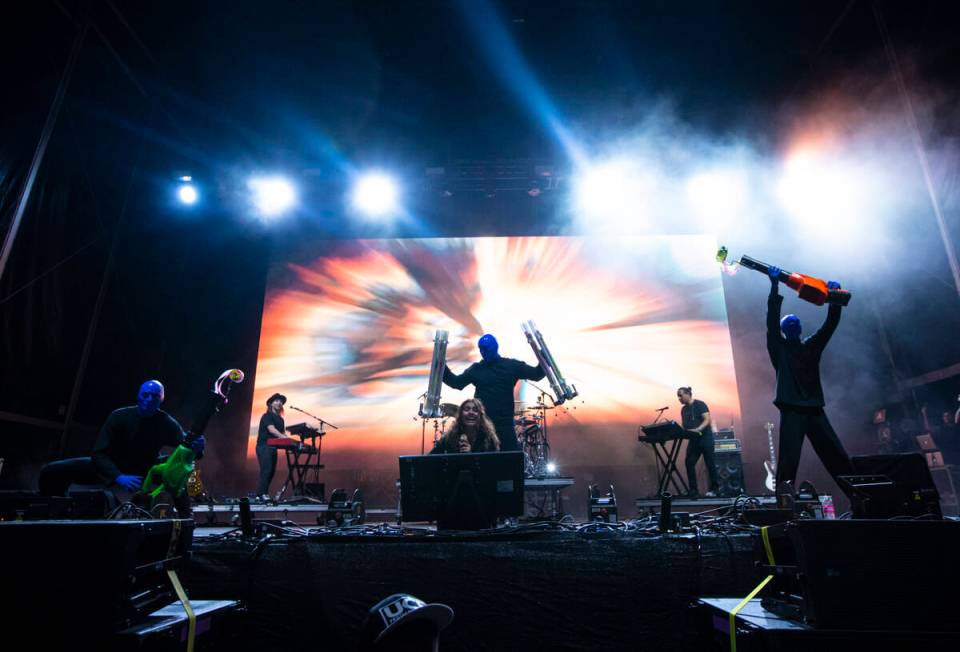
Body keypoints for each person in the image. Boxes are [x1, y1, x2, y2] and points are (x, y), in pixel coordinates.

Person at [38, 380, 203, 515]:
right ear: (138, 396)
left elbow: (187, 450)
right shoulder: (119, 416)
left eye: (154, 396)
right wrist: (118, 477)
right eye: (145, 395)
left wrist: (198, 446)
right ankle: (55, 513)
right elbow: (98, 454)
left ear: (161, 399)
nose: (149, 399)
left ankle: (185, 521)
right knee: (51, 471)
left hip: (146, 469)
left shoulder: (167, 422)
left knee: (177, 472)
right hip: (111, 466)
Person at [766, 266, 853, 488]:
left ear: (799, 328)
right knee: (788, 463)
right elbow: (772, 323)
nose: (793, 325)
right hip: (793, 410)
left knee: (837, 458)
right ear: (787, 330)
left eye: (795, 323)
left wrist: (835, 298)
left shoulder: (811, 347)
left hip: (813, 409)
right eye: (790, 324)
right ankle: (784, 509)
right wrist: (775, 287)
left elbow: (829, 326)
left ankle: (861, 499)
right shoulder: (780, 348)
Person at [442, 334, 544, 451]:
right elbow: (456, 383)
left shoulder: (511, 366)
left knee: (510, 460)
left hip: (505, 424)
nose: (484, 352)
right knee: (482, 461)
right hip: (483, 425)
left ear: (495, 347)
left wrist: (544, 356)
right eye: (481, 349)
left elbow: (537, 374)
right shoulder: (476, 369)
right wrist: (441, 366)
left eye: (487, 348)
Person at [677, 387, 719, 497]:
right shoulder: (684, 409)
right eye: (678, 396)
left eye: (680, 395)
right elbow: (684, 425)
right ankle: (693, 490)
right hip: (694, 440)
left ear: (688, 394)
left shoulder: (700, 404)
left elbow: (707, 419)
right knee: (689, 462)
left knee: (710, 463)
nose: (679, 398)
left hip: (705, 438)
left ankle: (715, 489)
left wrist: (698, 429)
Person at [255, 392, 293, 499]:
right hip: (263, 446)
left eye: (281, 401)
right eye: (277, 401)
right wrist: (284, 438)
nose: (279, 403)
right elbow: (272, 430)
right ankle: (261, 494)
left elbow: (282, 433)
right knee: (266, 470)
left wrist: (289, 440)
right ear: (271, 404)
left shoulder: (281, 419)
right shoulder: (267, 416)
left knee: (271, 471)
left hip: (272, 447)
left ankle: (263, 494)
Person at [430, 398, 500, 454]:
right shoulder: (449, 437)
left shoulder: (489, 438)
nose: (471, 413)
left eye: (475, 410)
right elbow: (431, 458)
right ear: (460, 415)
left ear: (480, 416)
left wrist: (470, 455)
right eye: (466, 409)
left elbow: (492, 466)